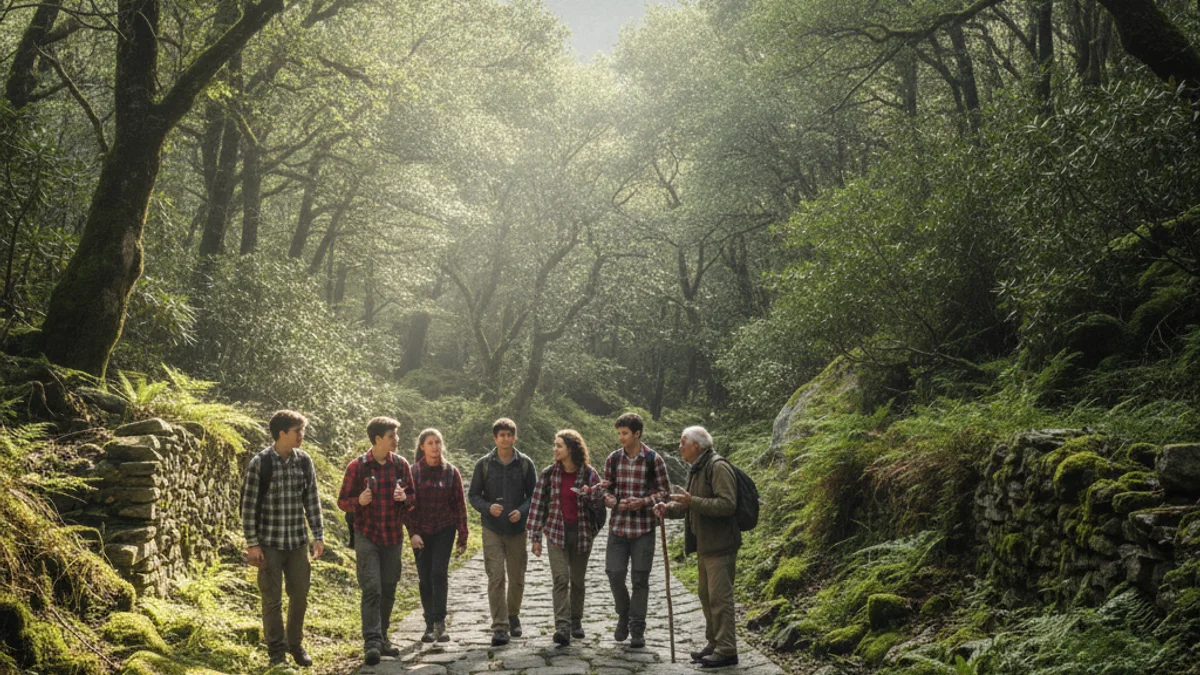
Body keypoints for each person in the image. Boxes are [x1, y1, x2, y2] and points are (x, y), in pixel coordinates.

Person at [240, 410, 324, 668]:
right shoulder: (260, 463)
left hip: (297, 543)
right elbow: (248, 507)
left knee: (300, 596)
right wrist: (252, 544)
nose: (301, 436)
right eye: (297, 431)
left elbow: (312, 500)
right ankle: (276, 653)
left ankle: (295, 645)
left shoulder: (304, 461)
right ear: (282, 433)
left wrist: (318, 535)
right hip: (269, 544)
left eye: (302, 431)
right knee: (272, 599)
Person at [654, 426, 740, 668]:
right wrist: (668, 508)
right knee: (706, 596)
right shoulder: (698, 468)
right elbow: (689, 505)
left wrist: (693, 501)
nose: (680, 446)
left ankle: (727, 649)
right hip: (706, 546)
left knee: (720, 599)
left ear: (697, 446)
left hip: (721, 545)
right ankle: (714, 643)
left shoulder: (717, 466)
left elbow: (728, 504)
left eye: (684, 442)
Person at [336, 417, 416, 665]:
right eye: (391, 436)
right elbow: (342, 501)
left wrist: (404, 498)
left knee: (389, 587)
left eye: (395, 435)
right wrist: (358, 501)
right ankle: (371, 641)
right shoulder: (357, 467)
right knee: (372, 587)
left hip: (393, 536)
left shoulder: (401, 465)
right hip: (367, 535)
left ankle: (382, 638)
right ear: (378, 438)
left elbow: (413, 499)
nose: (396, 439)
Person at [528, 430, 604, 646]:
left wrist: (590, 496)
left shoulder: (589, 474)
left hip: (581, 535)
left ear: (571, 449)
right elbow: (537, 505)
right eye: (555, 445)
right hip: (556, 534)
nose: (555, 449)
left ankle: (576, 621)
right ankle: (562, 626)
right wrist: (535, 537)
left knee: (577, 581)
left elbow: (600, 505)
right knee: (561, 579)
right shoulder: (549, 474)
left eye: (559, 446)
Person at [601, 412, 670, 648]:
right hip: (618, 527)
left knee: (640, 579)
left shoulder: (653, 459)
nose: (621, 437)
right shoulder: (613, 459)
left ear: (637, 434)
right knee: (614, 573)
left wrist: (644, 502)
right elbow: (604, 489)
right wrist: (612, 501)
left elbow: (665, 492)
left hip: (644, 529)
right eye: (619, 433)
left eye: (625, 433)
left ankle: (637, 628)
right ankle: (624, 614)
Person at [467, 417, 537, 646]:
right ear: (495, 438)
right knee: (496, 576)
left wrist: (522, 511)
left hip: (517, 529)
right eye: (502, 435)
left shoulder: (525, 464)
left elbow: (535, 496)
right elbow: (473, 495)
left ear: (515, 437)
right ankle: (500, 626)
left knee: (516, 577)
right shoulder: (484, 465)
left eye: (509, 435)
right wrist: (488, 507)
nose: (506, 439)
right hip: (492, 528)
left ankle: (513, 615)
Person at [405, 428, 469, 643]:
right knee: (425, 578)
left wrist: (462, 535)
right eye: (430, 443)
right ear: (422, 447)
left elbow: (459, 505)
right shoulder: (413, 472)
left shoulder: (451, 472)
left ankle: (440, 622)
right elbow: (406, 507)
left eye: (438, 442)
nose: (435, 447)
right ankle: (429, 624)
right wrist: (413, 533)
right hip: (421, 531)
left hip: (444, 528)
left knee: (438, 573)